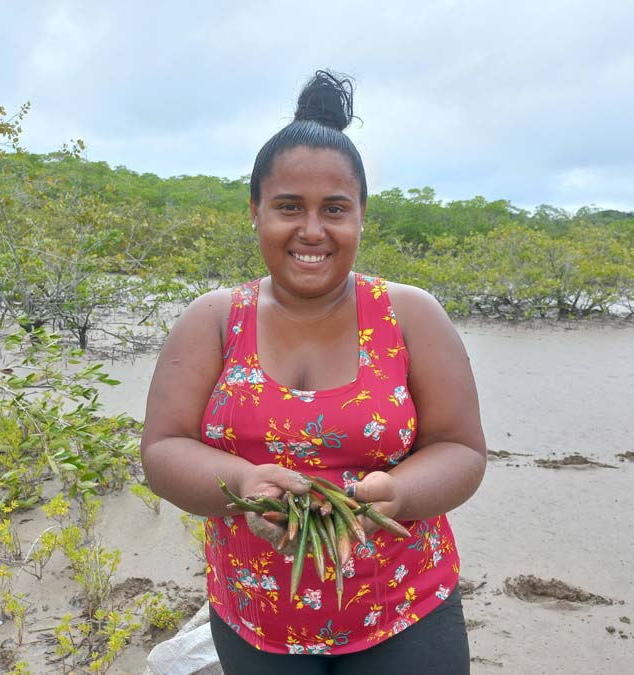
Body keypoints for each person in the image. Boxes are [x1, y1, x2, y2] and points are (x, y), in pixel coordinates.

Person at [140, 70, 486, 674]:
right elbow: (164, 448)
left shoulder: (410, 314)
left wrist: (396, 494)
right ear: (255, 212)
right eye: (288, 208)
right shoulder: (216, 319)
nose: (311, 231)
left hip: (403, 601)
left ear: (360, 216)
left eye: (334, 209)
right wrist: (243, 484)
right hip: (256, 608)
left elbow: (460, 449)